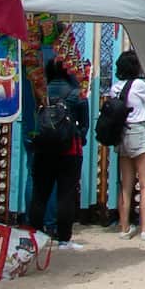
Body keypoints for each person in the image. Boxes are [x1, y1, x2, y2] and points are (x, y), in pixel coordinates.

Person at [26, 60, 87, 250]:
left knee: (40, 193)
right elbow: (84, 126)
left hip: (43, 149)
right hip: (70, 150)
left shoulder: (40, 94)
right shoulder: (76, 94)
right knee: (65, 194)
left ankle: (34, 235)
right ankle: (64, 239)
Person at [108, 49, 145, 239]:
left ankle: (124, 227)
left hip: (122, 133)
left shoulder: (115, 87)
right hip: (138, 130)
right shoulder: (139, 85)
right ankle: (144, 229)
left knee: (126, 185)